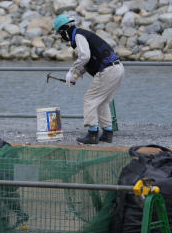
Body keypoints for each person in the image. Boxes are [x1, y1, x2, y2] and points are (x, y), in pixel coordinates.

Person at [53, 13, 124, 145]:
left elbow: (85, 57)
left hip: (108, 70)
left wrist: (71, 71)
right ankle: (108, 133)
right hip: (117, 68)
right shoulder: (84, 34)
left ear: (64, 30)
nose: (61, 37)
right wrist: (76, 76)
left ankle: (92, 134)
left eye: (60, 33)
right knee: (102, 102)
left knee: (90, 99)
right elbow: (90, 61)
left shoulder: (78, 35)